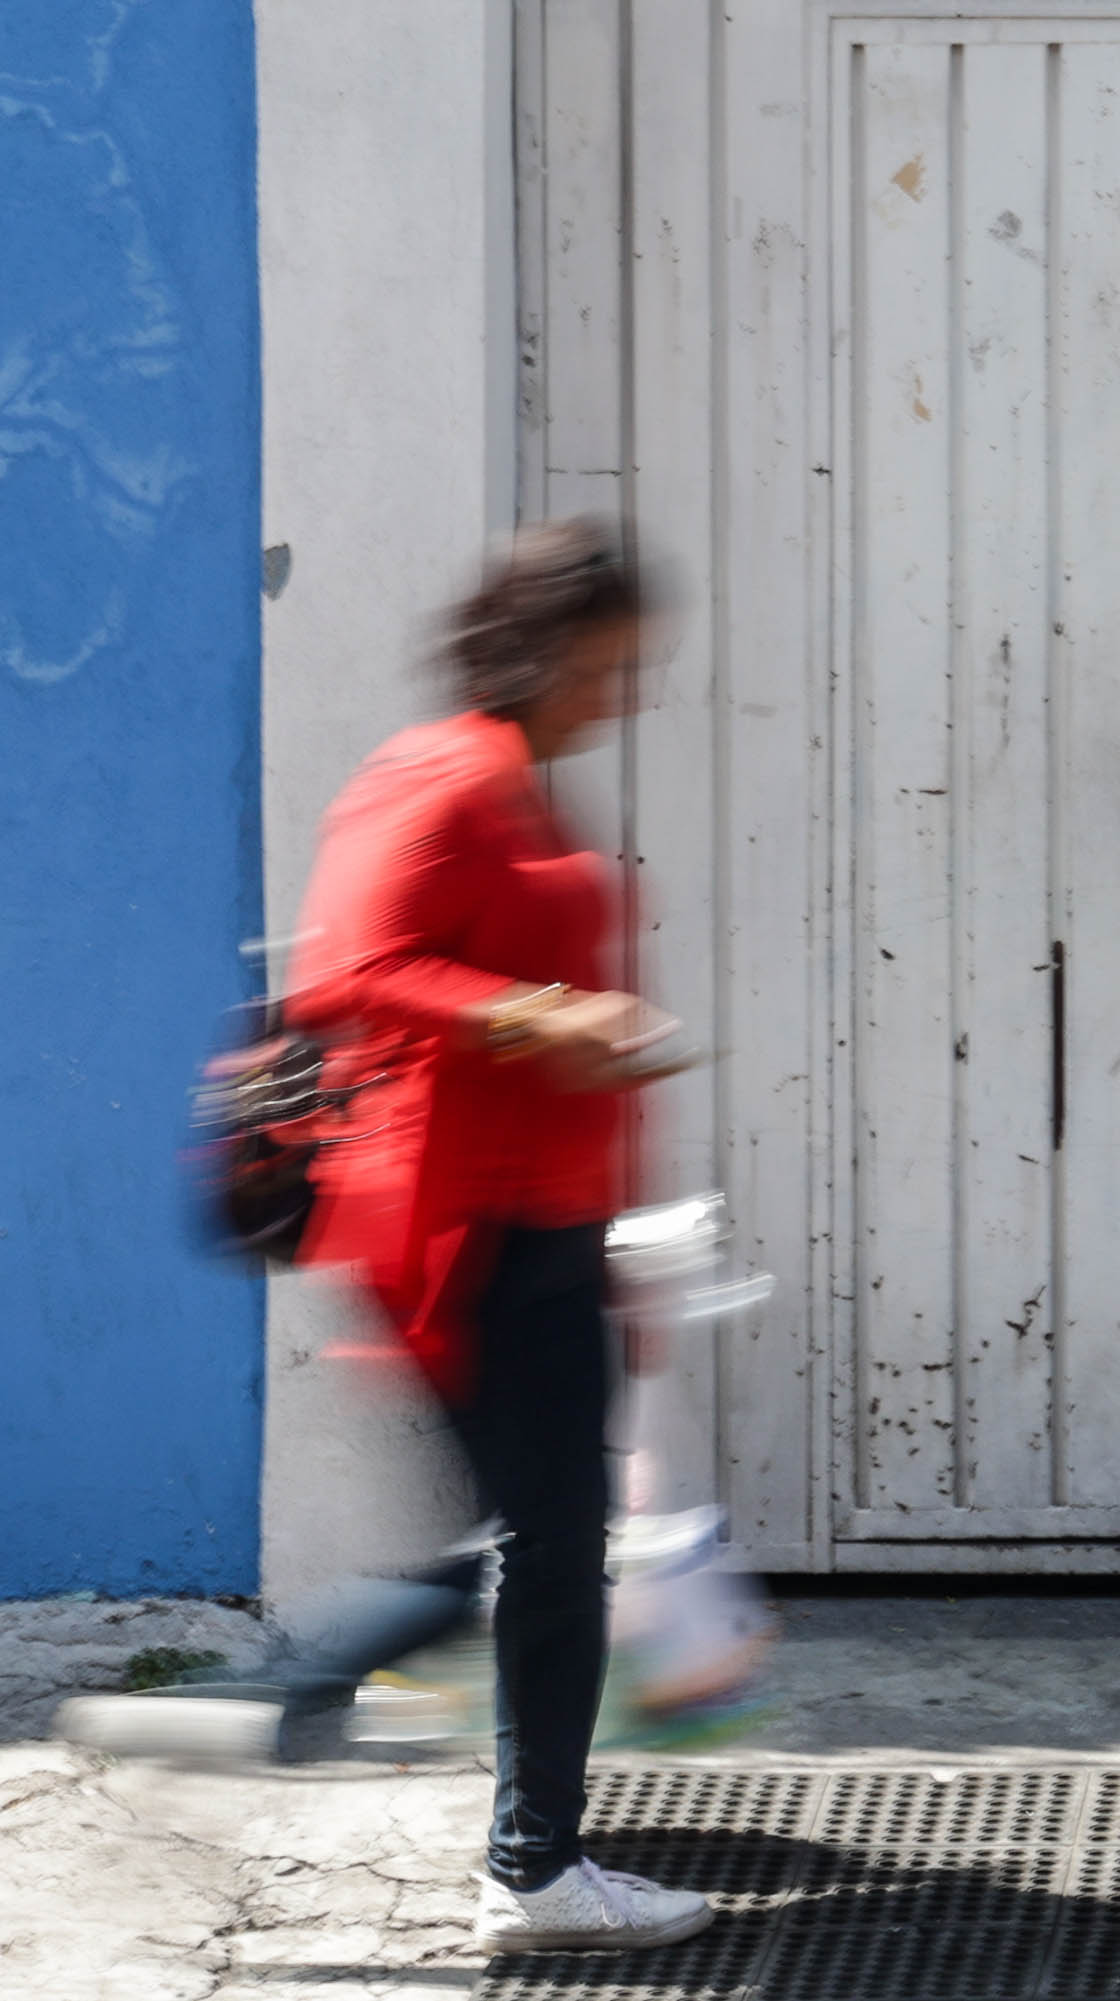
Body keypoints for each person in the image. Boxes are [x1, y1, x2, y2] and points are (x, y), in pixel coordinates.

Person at [60, 521, 710, 1955]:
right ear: (545, 645)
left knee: (526, 1539)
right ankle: (532, 1866)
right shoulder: (439, 774)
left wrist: (623, 1240)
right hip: (467, 1231)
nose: (625, 689)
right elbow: (358, 970)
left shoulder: (517, 783)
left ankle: (263, 1709)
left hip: (544, 1225)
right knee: (546, 1546)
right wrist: (543, 1014)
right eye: (611, 661)